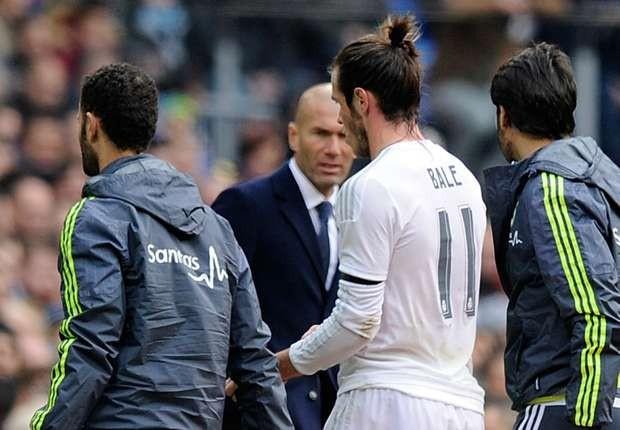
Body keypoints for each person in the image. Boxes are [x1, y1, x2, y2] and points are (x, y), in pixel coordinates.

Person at [29, 63, 292, 430]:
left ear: (91, 124)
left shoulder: (96, 217)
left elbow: (89, 345)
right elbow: (255, 363)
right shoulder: (218, 230)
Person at [276, 15, 487, 429]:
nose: (339, 121)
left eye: (338, 104)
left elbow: (357, 322)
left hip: (388, 403)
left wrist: (281, 365)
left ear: (361, 100)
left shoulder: (371, 185)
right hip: (461, 406)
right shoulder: (463, 176)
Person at [484, 43, 620, 429]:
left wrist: (585, 417)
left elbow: (597, 311)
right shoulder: (605, 180)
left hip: (566, 404)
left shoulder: (552, 189)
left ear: (504, 115)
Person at [212, 83, 354, 429]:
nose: (334, 149)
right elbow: (213, 308)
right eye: (321, 133)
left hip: (335, 413)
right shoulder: (246, 205)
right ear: (293, 135)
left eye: (343, 135)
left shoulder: (361, 212)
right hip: (260, 412)